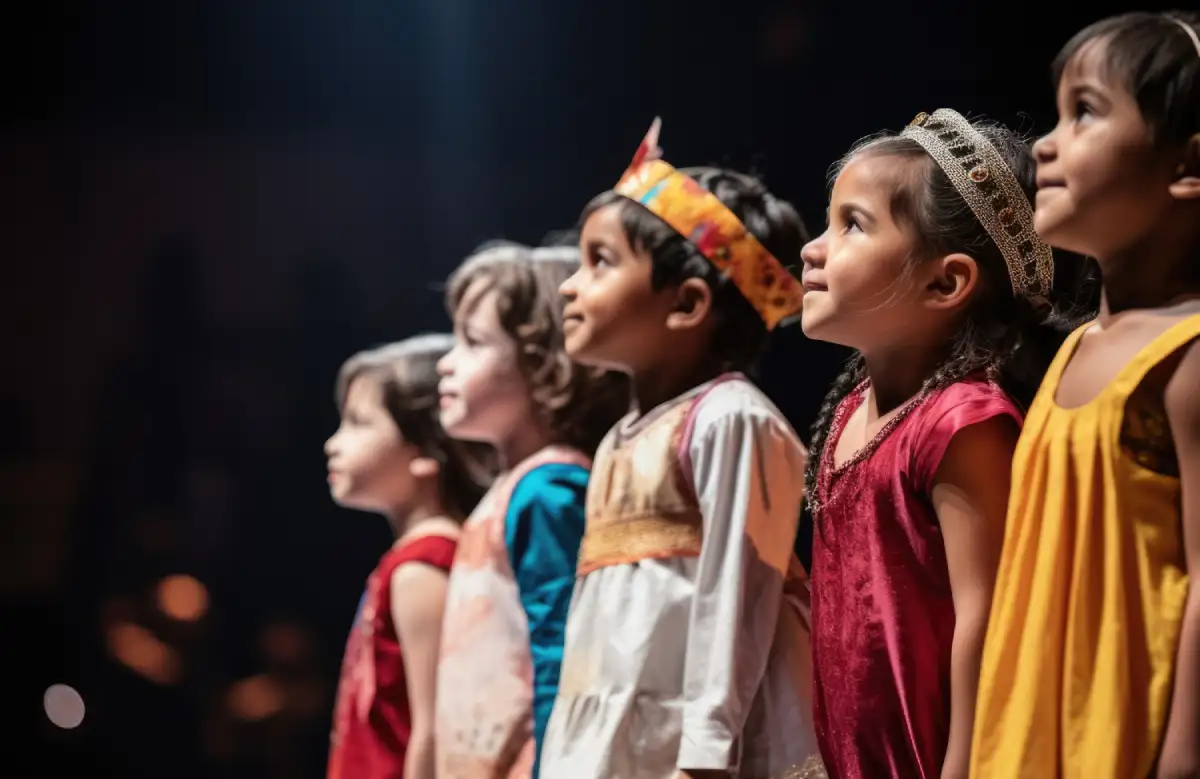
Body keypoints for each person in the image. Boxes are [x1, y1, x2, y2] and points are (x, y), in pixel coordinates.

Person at [799, 108, 1097, 779]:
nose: (814, 248)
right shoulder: (850, 411)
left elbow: (986, 621)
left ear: (946, 282)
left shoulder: (962, 423)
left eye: (851, 224)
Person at [541, 119, 823, 779]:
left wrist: (704, 757)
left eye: (600, 262)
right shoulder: (619, 437)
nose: (569, 285)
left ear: (689, 302)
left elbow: (737, 596)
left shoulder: (731, 419)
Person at [970, 13, 1200, 779]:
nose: (1046, 141)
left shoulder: (1187, 355)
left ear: (1188, 166)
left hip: (1124, 741)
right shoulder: (1070, 349)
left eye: (1088, 111)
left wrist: (1182, 753)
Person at [433, 242, 629, 779]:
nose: (446, 362)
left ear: (544, 361)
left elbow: (563, 661)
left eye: (473, 342)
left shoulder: (547, 490)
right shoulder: (515, 488)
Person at [325, 335, 493, 779]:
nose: (334, 444)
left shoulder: (424, 565)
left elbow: (432, 728)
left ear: (423, 451)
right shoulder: (410, 561)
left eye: (359, 424)